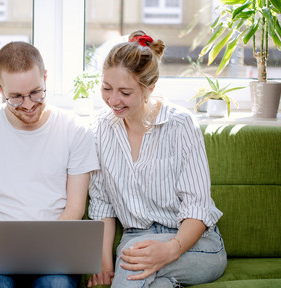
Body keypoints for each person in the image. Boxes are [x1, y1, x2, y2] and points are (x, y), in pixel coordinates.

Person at [0, 41, 100, 288]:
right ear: (0, 88)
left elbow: (75, 207)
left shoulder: (75, 130)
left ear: (46, 78)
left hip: (54, 243)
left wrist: (45, 245)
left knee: (57, 285)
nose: (28, 105)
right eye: (16, 97)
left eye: (36, 93)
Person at [87, 30, 227, 288]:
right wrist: (105, 263)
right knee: (149, 278)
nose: (113, 100)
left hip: (194, 245)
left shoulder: (181, 124)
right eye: (106, 88)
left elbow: (197, 206)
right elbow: (102, 205)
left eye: (125, 92)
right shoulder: (100, 128)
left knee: (131, 277)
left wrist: (170, 250)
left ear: (149, 88)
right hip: (136, 239)